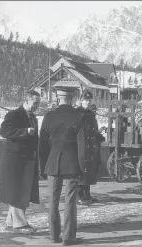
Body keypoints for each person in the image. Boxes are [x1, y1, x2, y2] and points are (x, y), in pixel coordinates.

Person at [38, 89, 83, 245]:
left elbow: (42, 144)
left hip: (52, 163)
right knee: (70, 201)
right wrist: (83, 167)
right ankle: (68, 237)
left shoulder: (48, 116)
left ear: (58, 99)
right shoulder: (79, 116)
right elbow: (82, 145)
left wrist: (42, 166)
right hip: (72, 164)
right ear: (71, 99)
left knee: (53, 201)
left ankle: (53, 236)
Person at [0, 90, 40, 234]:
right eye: (35, 103)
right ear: (27, 100)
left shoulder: (32, 116)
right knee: (18, 191)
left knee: (20, 190)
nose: (37, 106)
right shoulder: (14, 114)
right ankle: (20, 224)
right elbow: (4, 131)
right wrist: (24, 132)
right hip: (15, 159)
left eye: (38, 103)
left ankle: (11, 221)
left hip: (26, 159)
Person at [77, 92, 105, 205]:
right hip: (80, 145)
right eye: (86, 100)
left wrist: (99, 138)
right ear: (81, 100)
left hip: (90, 146)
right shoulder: (77, 113)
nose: (88, 102)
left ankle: (87, 195)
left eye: (89, 100)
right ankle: (79, 195)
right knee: (81, 171)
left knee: (89, 171)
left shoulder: (90, 114)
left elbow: (93, 130)